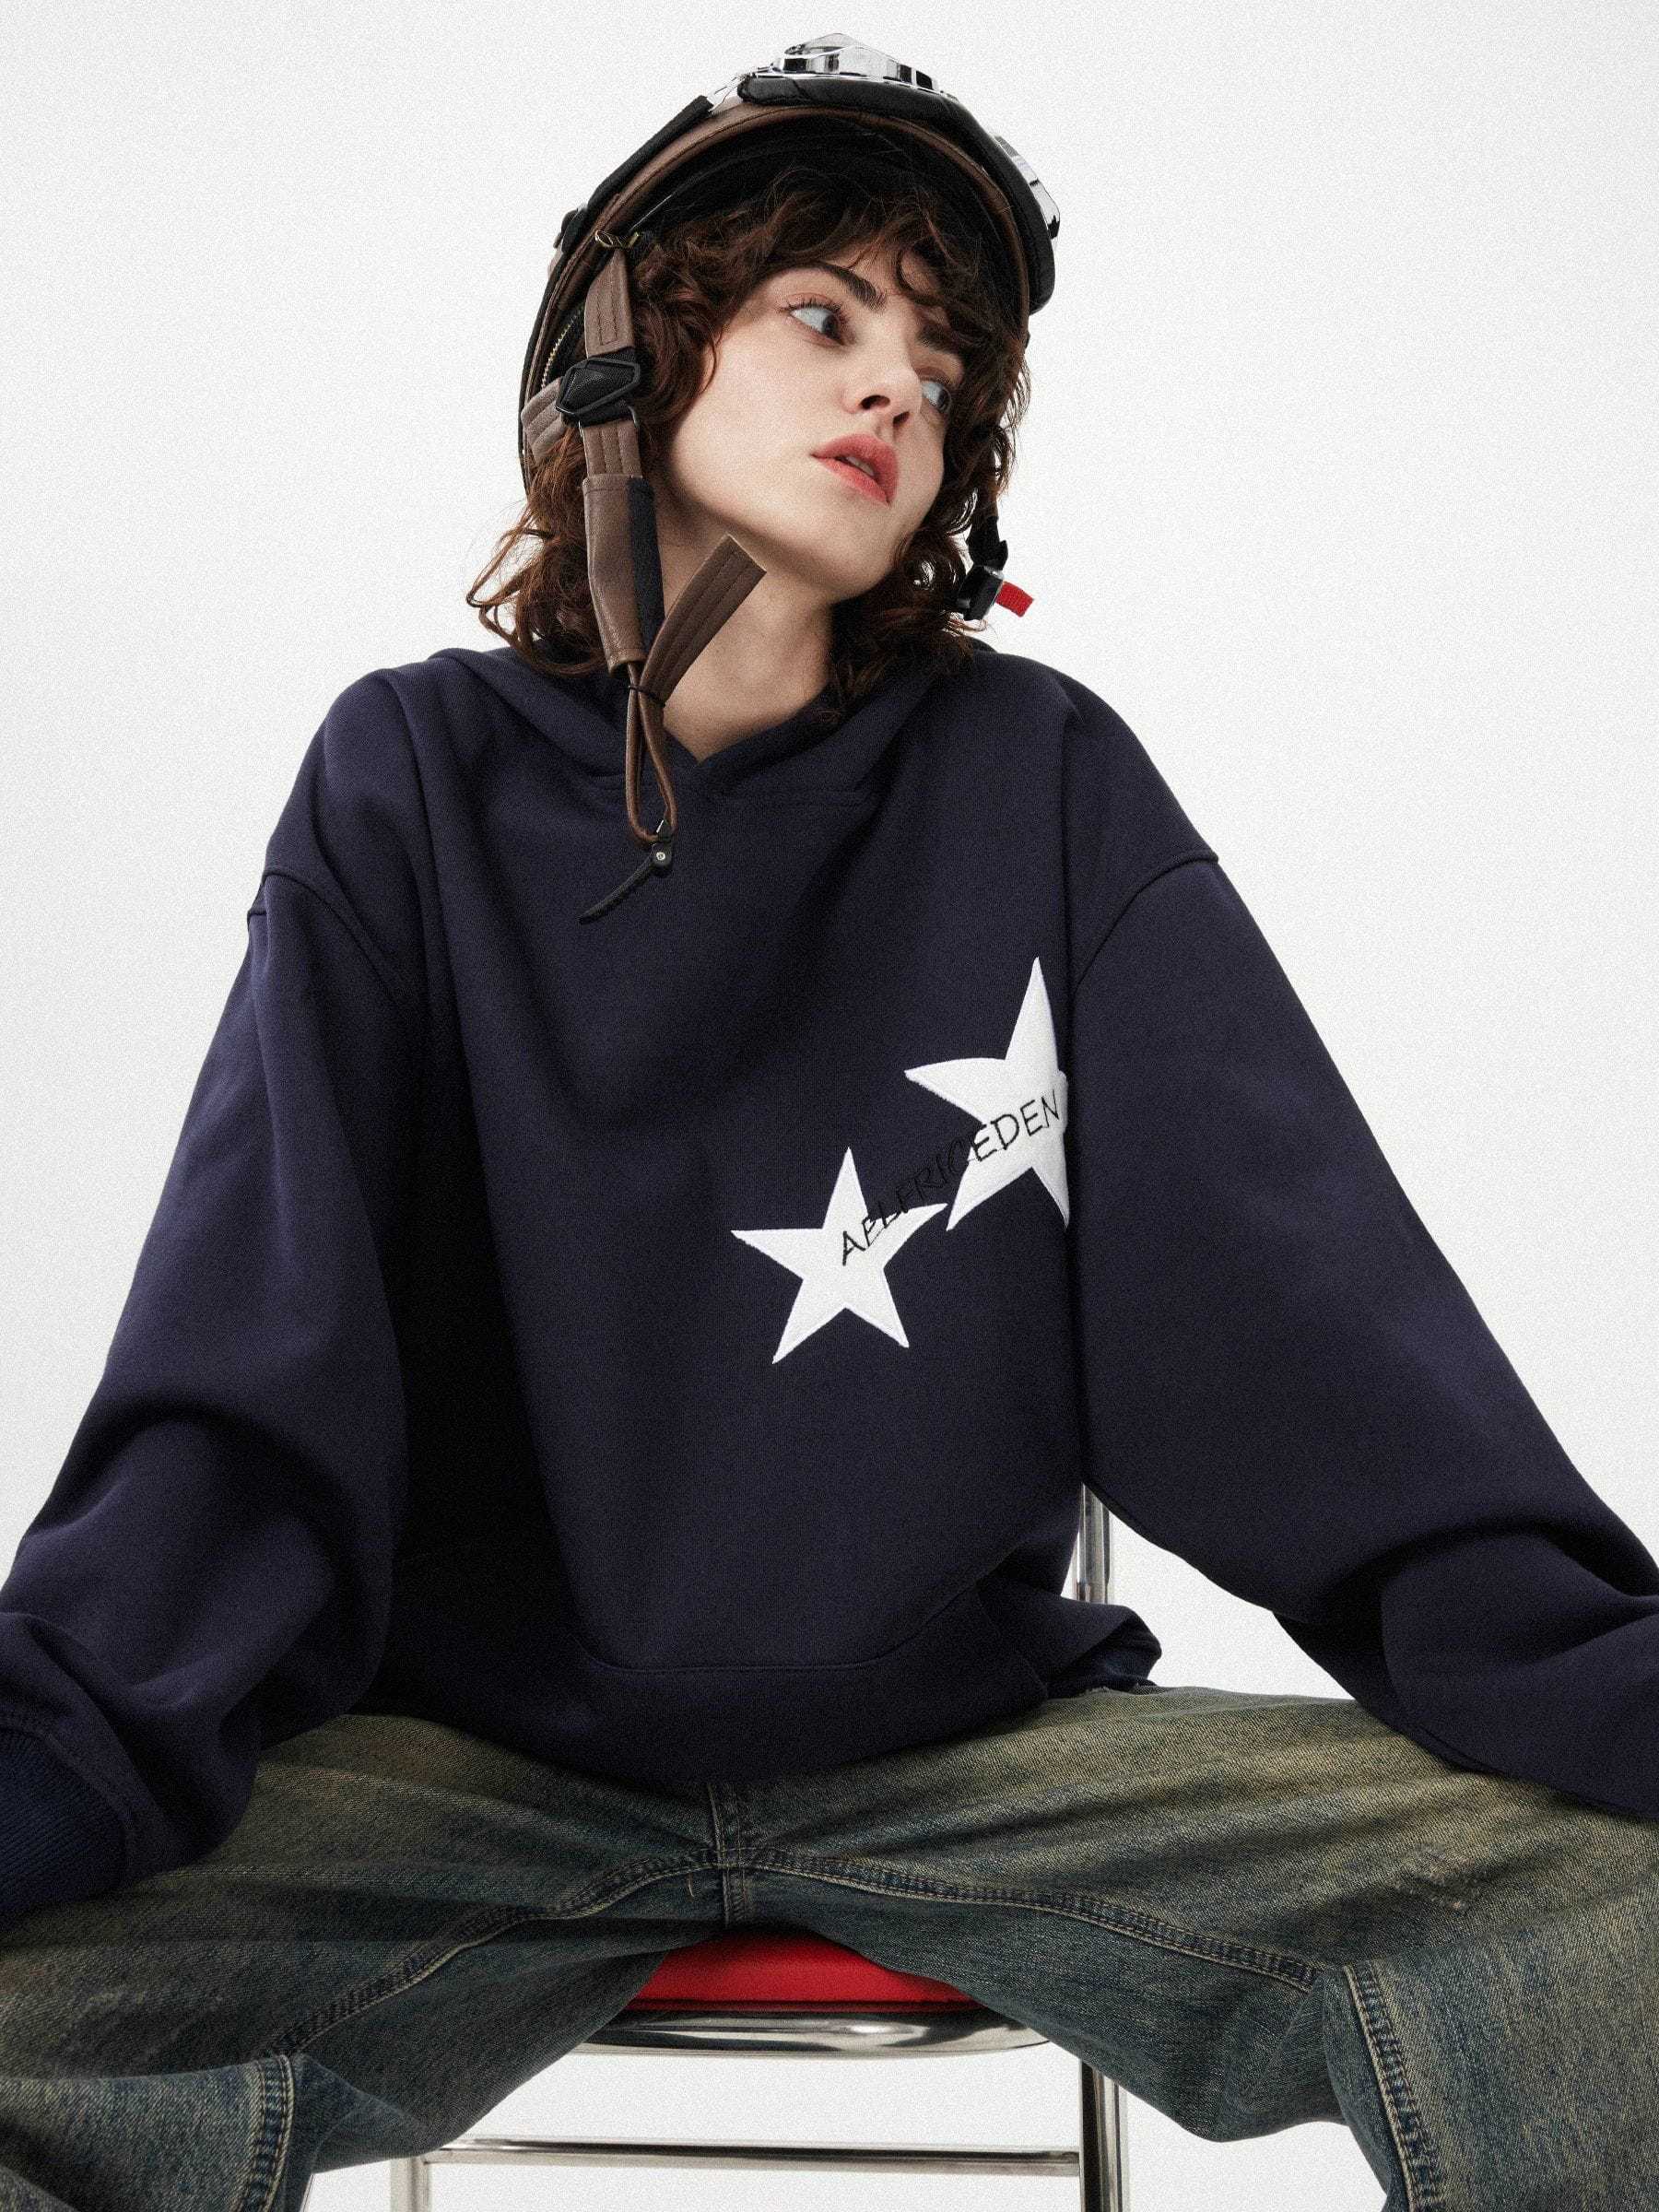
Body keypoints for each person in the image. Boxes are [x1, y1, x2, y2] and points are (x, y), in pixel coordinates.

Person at [2, 32, 1656, 2211]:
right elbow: (258, 1350)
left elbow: (1304, 1332)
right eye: (822, 314)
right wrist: (63, 1744)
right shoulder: (409, 775)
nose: (896, 386)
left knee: (1629, 1924)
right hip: (468, 1777)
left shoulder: (1041, 779)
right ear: (629, 355)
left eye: (941, 368)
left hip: (973, 1764)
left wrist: (1602, 1686)